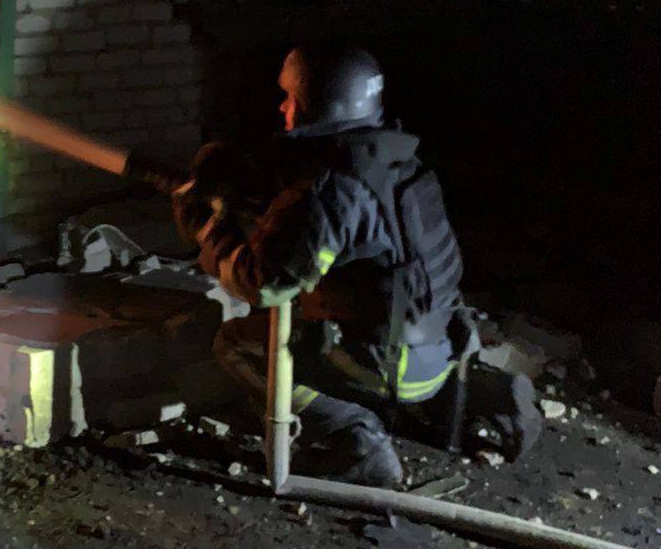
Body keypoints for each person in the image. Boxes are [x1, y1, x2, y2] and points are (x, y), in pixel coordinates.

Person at [172, 43, 542, 488]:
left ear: (316, 105)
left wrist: (209, 232)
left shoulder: (331, 188)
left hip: (390, 368)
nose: (282, 107)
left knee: (237, 342)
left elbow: (263, 283)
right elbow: (320, 218)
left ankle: (355, 437)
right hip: (442, 351)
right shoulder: (394, 161)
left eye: (291, 98)